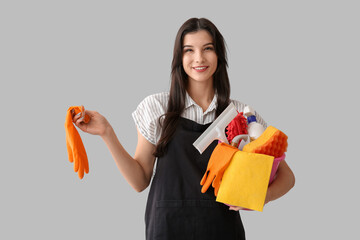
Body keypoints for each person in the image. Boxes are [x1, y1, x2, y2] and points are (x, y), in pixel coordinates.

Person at [73, 17, 295, 240]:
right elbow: (139, 181)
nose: (199, 58)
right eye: (189, 50)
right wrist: (107, 132)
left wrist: (258, 196)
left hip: (222, 231)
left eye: (207, 48)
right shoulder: (157, 107)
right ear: (179, 58)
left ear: (219, 55)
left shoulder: (241, 114)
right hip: (166, 230)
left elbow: (287, 177)